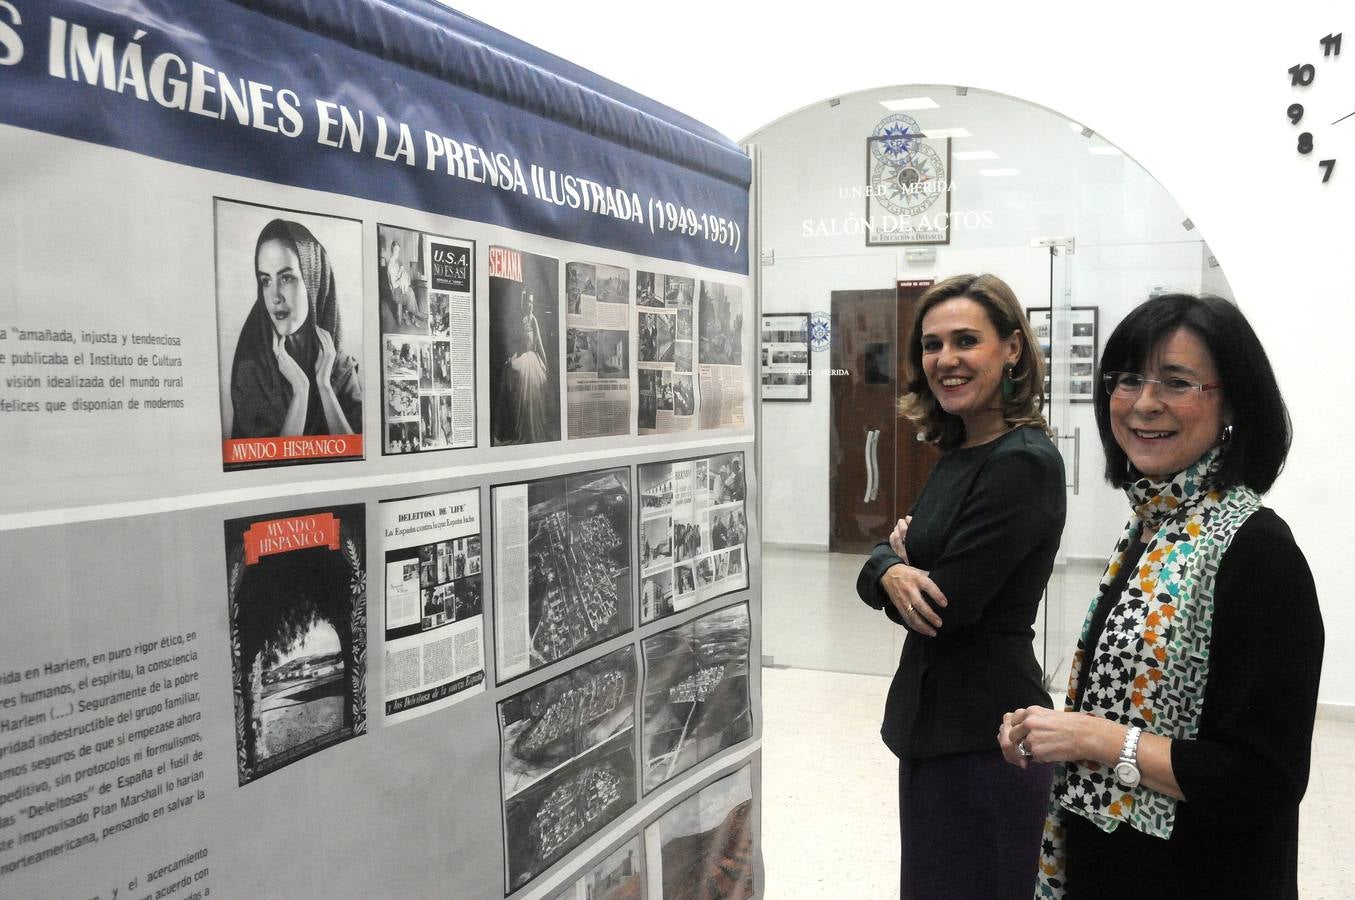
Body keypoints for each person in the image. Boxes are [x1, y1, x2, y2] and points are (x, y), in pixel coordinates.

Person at [999, 294, 1323, 899]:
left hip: (1201, 874)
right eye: (1126, 380)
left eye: (1176, 382)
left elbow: (1264, 780)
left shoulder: (1256, 551)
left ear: (1230, 402)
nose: (1144, 404)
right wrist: (1058, 728)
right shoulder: (1152, 526)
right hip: (1115, 860)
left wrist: (1096, 739)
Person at [855, 274, 1066, 900]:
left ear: (1012, 351)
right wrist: (887, 568)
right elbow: (901, 560)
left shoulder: (1022, 462)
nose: (945, 359)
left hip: (986, 738)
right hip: (934, 725)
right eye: (931, 344)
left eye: (966, 340)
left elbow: (940, 609)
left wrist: (886, 567)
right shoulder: (961, 449)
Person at [230, 219, 361, 439]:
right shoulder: (251, 370)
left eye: (286, 278)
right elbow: (267, 471)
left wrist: (324, 386)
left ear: (313, 282)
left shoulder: (341, 367)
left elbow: (361, 458)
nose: (274, 296)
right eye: (265, 281)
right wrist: (301, 391)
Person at [498, 292, 551, 443]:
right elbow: (520, 346)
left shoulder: (534, 320)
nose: (530, 305)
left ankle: (531, 428)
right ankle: (513, 428)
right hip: (523, 357)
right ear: (524, 303)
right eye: (528, 302)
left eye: (532, 302)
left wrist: (546, 364)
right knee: (508, 370)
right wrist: (511, 358)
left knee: (532, 393)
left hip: (533, 358)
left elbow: (539, 344)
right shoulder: (522, 321)